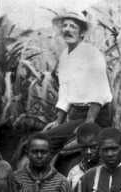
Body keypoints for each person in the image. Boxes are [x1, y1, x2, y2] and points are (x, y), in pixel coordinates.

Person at [42, 12, 112, 151]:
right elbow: (65, 91)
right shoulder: (64, 56)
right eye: (65, 26)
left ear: (82, 33)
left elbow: (99, 92)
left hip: (96, 116)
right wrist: (58, 121)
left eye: (73, 26)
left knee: (45, 141)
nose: (67, 29)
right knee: (47, 135)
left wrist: (89, 124)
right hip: (77, 116)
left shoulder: (91, 53)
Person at [66, 122, 102, 188]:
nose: (88, 152)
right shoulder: (74, 173)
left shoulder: (110, 170)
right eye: (83, 148)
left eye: (93, 147)